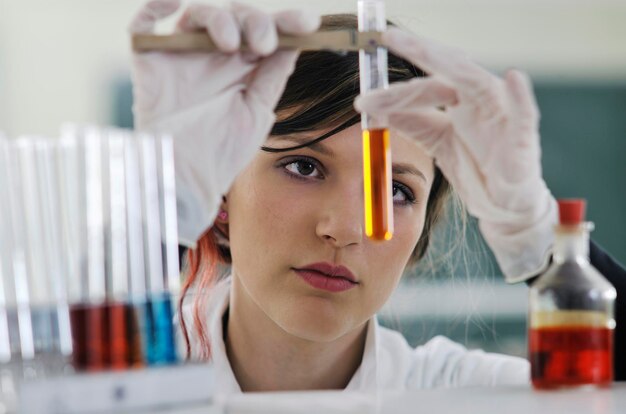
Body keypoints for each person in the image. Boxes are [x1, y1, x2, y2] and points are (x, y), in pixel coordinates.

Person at [130, 0, 626, 392]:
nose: (346, 229)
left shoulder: (462, 397)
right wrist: (163, 216)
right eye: (304, 166)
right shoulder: (123, 376)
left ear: (419, 238)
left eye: (396, 190)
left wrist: (538, 240)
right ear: (220, 197)